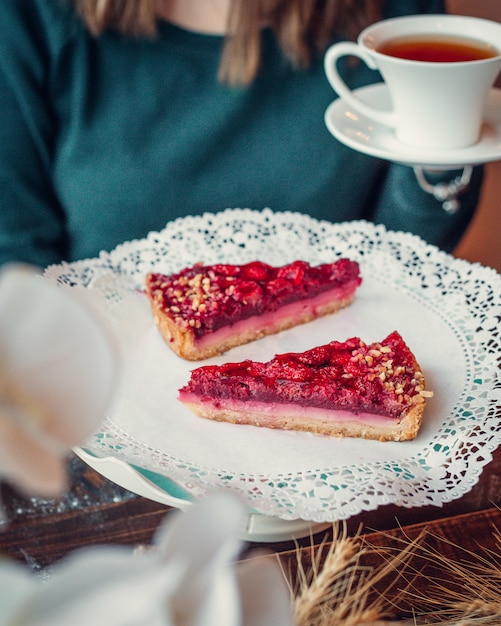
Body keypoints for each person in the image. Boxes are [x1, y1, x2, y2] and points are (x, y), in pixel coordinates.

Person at [0, 0, 483, 268]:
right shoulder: (30, 18)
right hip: (95, 391)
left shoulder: (395, 15)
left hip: (327, 379)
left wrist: (441, 154)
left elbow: (407, 261)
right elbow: (14, 250)